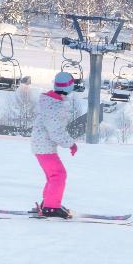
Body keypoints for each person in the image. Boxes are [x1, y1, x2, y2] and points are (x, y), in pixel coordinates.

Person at [30, 71, 82, 218]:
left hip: (41, 145)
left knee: (53, 176)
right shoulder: (55, 106)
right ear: (69, 87)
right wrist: (71, 144)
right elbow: (56, 132)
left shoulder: (51, 101)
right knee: (58, 175)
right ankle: (51, 207)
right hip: (44, 147)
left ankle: (48, 203)